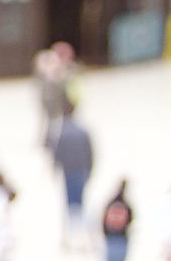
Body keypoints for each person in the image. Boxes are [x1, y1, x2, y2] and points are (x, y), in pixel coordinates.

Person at [52, 110, 95, 250]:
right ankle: (83, 240)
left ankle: (70, 240)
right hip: (80, 171)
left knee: (70, 207)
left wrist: (55, 170)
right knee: (81, 206)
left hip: (69, 172)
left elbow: (57, 155)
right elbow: (90, 153)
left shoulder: (64, 133)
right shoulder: (82, 131)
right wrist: (89, 171)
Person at [100, 179, 133, 261]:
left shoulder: (111, 203)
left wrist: (105, 233)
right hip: (121, 238)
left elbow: (103, 219)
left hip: (111, 237)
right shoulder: (126, 204)